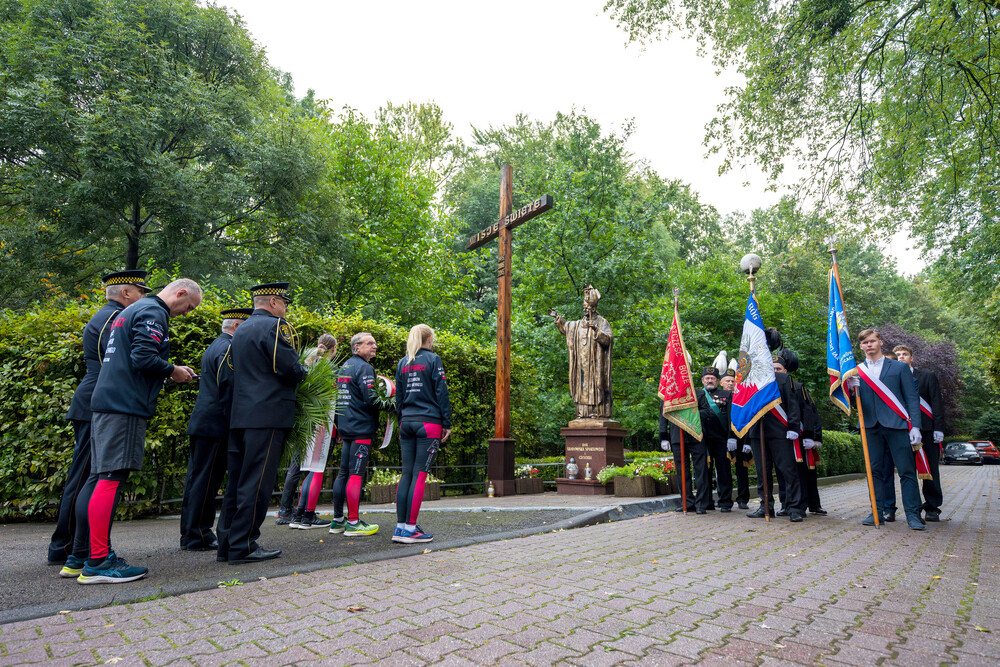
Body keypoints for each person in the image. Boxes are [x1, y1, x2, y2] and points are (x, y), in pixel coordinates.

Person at [79, 279, 202, 584]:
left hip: (108, 402)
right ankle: (97, 562)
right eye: (189, 307)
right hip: (125, 405)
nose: (186, 314)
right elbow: (144, 357)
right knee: (110, 479)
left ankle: (80, 556)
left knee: (98, 478)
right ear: (181, 292)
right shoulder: (153, 312)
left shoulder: (132, 310)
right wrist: (173, 370)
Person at [48, 271, 150, 575]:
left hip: (92, 399)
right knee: (88, 479)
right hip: (100, 402)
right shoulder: (116, 319)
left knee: (86, 477)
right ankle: (68, 548)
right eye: (141, 292)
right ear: (128, 293)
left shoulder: (105, 316)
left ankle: (71, 549)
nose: (144, 298)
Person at [217, 283, 306, 564]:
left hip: (241, 415)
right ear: (274, 301)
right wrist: (304, 372)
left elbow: (230, 373)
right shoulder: (277, 326)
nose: (287, 308)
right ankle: (244, 545)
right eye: (285, 302)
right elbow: (290, 367)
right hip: (267, 414)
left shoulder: (240, 329)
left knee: (239, 481)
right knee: (257, 482)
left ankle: (227, 543)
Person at [179, 307, 253, 551]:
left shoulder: (217, 345)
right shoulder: (229, 348)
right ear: (238, 327)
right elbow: (229, 386)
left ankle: (194, 532)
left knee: (200, 479)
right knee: (205, 481)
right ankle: (196, 535)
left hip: (208, 423)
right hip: (215, 424)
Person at [844, 329, 924, 530]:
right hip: (870, 425)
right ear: (861, 346)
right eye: (865, 342)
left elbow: (911, 398)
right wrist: (852, 390)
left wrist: (915, 426)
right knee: (875, 472)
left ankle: (913, 515)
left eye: (872, 341)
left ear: (881, 342)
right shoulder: (856, 370)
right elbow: (856, 403)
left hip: (897, 425)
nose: (869, 345)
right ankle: (877, 511)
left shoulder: (898, 367)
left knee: (906, 471)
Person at [392, 324, 452, 543]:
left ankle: (400, 528)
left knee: (406, 473)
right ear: (430, 338)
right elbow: (441, 392)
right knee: (419, 474)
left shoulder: (402, 362)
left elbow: (398, 397)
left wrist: (402, 420)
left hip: (406, 422)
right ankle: (410, 529)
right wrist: (447, 422)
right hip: (428, 423)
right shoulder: (433, 360)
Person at [747, 329, 805, 523]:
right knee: (763, 473)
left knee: (788, 470)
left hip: (781, 432)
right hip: (758, 433)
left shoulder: (784, 379)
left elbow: (793, 407)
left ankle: (794, 507)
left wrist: (793, 429)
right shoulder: (751, 381)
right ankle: (765, 506)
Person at [329, 332, 380, 536]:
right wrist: (392, 405)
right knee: (356, 475)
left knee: (343, 473)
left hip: (346, 426)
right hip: (360, 427)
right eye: (370, 343)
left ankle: (338, 521)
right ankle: (353, 523)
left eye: (375, 343)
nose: (374, 346)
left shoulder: (344, 366)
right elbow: (371, 399)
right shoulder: (364, 367)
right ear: (357, 347)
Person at [288, 334, 339, 530]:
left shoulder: (306, 364)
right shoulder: (330, 369)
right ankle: (308, 515)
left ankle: (299, 514)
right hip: (324, 423)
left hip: (305, 422)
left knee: (307, 468)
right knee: (316, 469)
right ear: (333, 350)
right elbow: (336, 401)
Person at [893, 345, 946, 522]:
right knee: (908, 470)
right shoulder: (891, 378)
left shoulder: (927, 376)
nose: (901, 357)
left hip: (926, 430)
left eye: (904, 354)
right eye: (898, 355)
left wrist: (938, 428)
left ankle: (932, 507)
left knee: (930, 469)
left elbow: (937, 402)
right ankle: (913, 508)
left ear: (911, 358)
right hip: (902, 429)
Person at [547, 284, 614, 419]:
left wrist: (595, 329)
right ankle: (582, 414)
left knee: (595, 388)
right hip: (581, 366)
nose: (585, 310)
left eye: (587, 308)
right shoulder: (577, 324)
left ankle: (597, 413)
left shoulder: (602, 322)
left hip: (595, 365)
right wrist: (558, 319)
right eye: (584, 308)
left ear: (594, 308)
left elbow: (608, 340)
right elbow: (567, 327)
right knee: (582, 388)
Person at [661, 389, 712, 513]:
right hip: (677, 437)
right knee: (682, 472)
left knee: (701, 471)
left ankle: (701, 504)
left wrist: (690, 415)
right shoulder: (669, 393)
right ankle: (687, 502)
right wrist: (663, 436)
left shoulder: (698, 393)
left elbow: (707, 412)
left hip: (696, 436)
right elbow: (663, 415)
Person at [700, 367, 736, 512]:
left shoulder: (726, 394)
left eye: (712, 378)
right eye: (707, 378)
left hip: (721, 439)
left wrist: (731, 437)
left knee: (724, 472)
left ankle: (726, 502)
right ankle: (707, 501)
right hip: (703, 440)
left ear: (717, 380)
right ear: (702, 380)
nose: (710, 380)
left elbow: (731, 417)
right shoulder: (698, 394)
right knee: (704, 472)